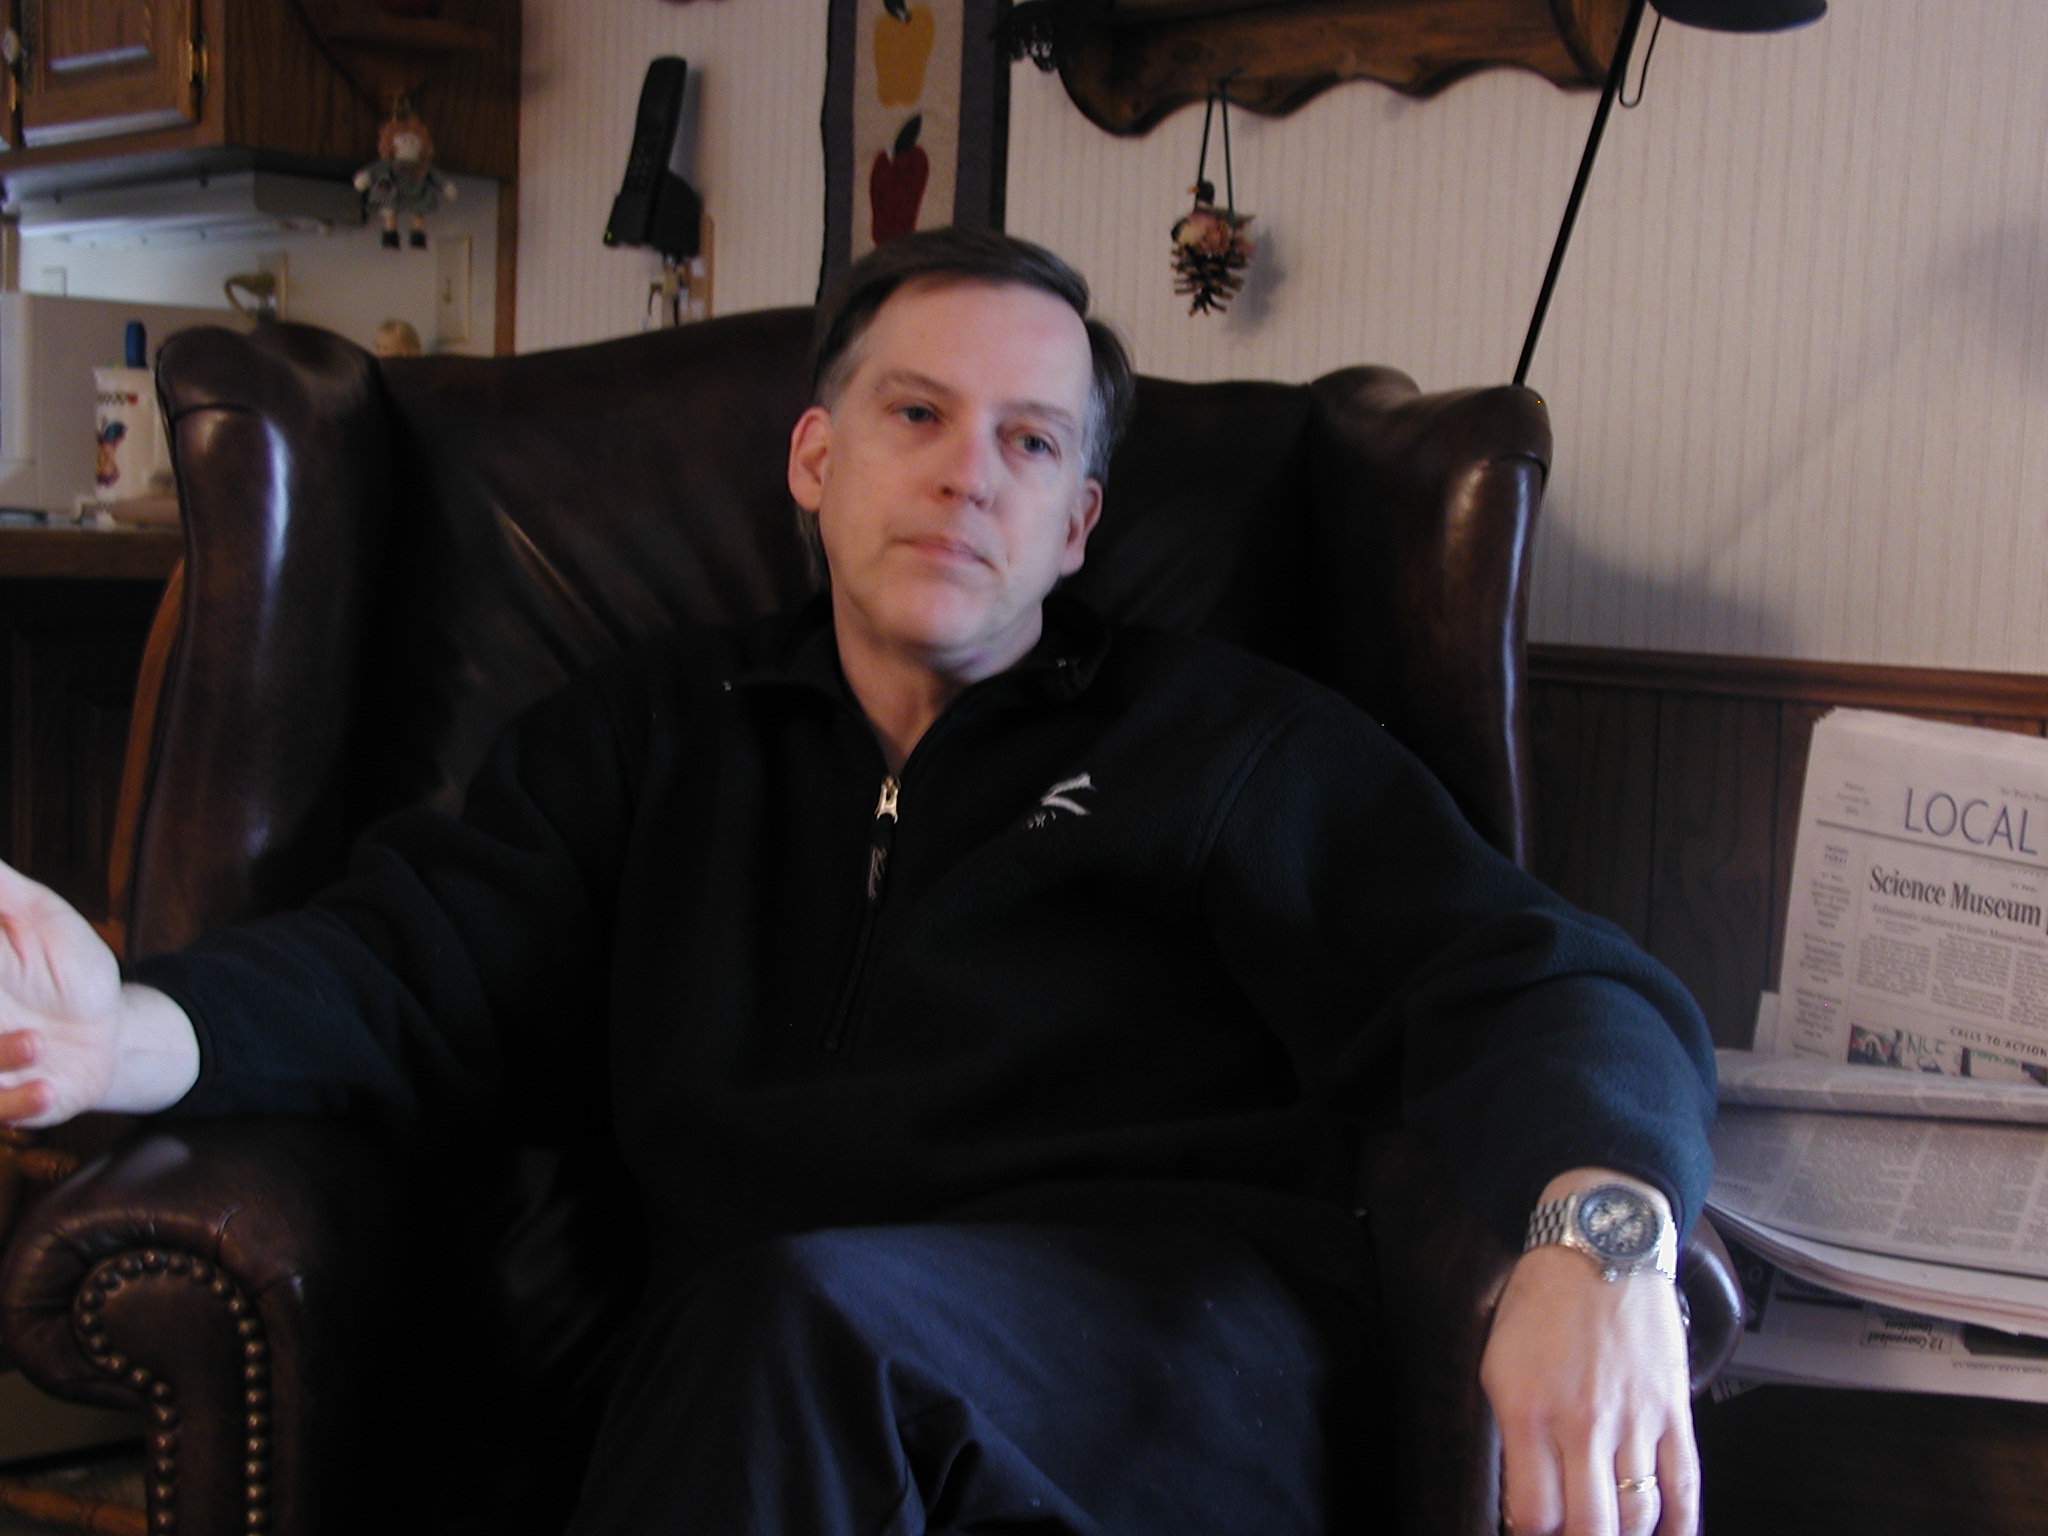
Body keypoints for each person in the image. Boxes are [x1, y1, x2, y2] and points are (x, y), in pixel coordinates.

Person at [0, 229, 1713, 1536]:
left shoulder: (1228, 741)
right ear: (818, 461)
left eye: (1032, 444)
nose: (971, 471)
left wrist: (1601, 1234)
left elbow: (1541, 978)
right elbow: (408, 962)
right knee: (774, 1328)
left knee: (794, 1324)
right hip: (770, 1389)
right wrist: (125, 1028)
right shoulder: (649, 737)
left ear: (1078, 525)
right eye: (918, 414)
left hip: (1169, 1368)